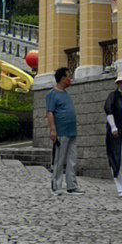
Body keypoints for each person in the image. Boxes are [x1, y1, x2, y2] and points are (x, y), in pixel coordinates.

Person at [46, 66, 79, 195]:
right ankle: (56, 185)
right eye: (68, 76)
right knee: (59, 160)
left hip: (72, 131)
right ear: (63, 78)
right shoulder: (52, 94)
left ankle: (72, 185)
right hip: (61, 132)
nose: (69, 79)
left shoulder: (66, 94)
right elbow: (50, 113)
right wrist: (53, 130)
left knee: (72, 160)